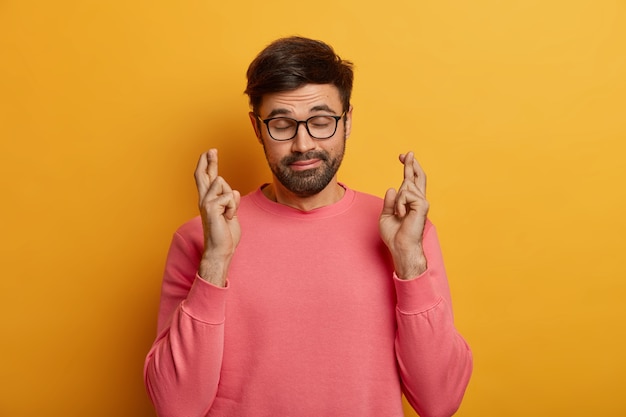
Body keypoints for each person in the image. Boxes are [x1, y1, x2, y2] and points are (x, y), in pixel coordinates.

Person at [144, 36, 472, 417]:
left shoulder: (406, 235)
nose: (302, 144)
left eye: (320, 122)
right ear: (257, 127)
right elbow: (175, 407)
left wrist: (409, 261)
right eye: (282, 124)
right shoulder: (200, 239)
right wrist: (216, 261)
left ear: (347, 121)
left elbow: (440, 401)